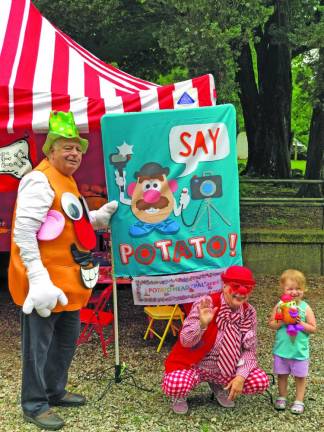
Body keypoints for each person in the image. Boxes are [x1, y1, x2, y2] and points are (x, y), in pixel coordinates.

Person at [8, 111, 118, 430]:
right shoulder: (39, 180)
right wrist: (38, 278)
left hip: (70, 280)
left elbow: (69, 222)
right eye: (67, 147)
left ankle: (54, 391)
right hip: (45, 284)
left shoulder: (66, 180)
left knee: (66, 341)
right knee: (38, 347)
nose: (74, 153)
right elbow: (24, 232)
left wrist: (96, 218)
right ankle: (34, 403)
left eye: (78, 149)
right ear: (51, 150)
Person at [162, 265, 269, 414]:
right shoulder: (206, 303)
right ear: (224, 286)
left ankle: (218, 383)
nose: (241, 292)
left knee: (259, 380)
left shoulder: (249, 312)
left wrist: (240, 376)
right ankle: (180, 396)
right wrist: (202, 325)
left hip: (227, 366)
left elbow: (249, 350)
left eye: (247, 287)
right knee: (176, 384)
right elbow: (185, 341)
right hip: (195, 364)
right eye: (236, 286)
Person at [269, 269, 317, 414]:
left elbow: (313, 328)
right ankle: (282, 396)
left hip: (299, 350)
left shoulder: (305, 308)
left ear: (304, 290)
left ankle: (299, 400)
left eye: (298, 288)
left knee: (300, 377)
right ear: (283, 289)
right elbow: (271, 324)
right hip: (282, 350)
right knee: (282, 375)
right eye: (290, 289)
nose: (294, 292)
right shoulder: (280, 305)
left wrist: (300, 324)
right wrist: (283, 321)